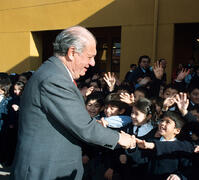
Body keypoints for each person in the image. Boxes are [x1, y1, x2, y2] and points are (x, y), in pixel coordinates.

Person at [11, 26, 133, 180]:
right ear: (72, 52)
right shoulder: (54, 79)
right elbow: (83, 127)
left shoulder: (54, 73)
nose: (93, 63)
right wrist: (121, 138)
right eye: (90, 57)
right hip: (46, 170)